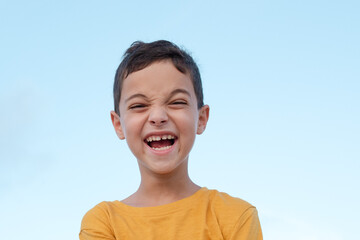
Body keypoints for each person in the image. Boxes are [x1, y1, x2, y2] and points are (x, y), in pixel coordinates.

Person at [79, 40, 263, 240]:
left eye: (177, 102)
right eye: (139, 105)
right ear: (118, 124)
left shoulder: (237, 216)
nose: (158, 116)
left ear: (201, 119)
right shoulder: (103, 221)